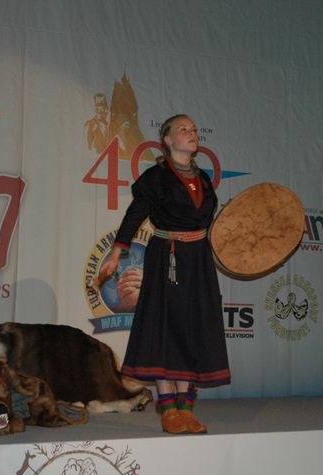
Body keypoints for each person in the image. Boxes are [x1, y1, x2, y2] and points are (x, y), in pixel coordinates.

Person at [98, 114, 230, 435]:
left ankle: (185, 409)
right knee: (165, 328)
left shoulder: (203, 179)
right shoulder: (156, 177)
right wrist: (116, 252)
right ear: (168, 140)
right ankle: (168, 408)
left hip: (197, 260)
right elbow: (135, 215)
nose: (192, 133)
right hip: (167, 256)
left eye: (194, 129)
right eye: (183, 129)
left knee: (191, 328)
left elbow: (210, 224)